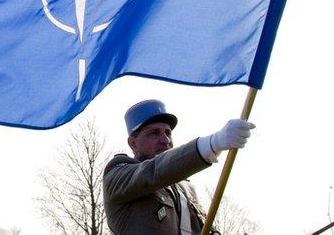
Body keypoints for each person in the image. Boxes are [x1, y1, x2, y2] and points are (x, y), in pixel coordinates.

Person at [102, 99, 254, 234]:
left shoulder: (185, 189)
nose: (165, 140)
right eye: (154, 133)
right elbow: (155, 171)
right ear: (133, 143)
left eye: (168, 132)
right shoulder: (117, 174)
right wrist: (214, 143)